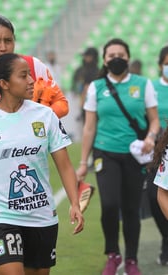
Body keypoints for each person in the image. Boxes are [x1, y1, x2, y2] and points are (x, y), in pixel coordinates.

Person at [0, 53, 84, 275]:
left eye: (30, 75)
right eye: (23, 76)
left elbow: (64, 164)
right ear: (4, 84)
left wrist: (74, 202)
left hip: (42, 218)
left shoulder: (45, 116)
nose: (31, 81)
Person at [76, 38, 160, 275]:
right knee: (110, 205)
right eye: (111, 55)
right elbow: (89, 127)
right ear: (104, 60)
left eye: (120, 54)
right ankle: (113, 254)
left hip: (135, 155)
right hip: (105, 153)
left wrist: (151, 137)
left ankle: (131, 260)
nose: (116, 58)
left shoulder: (143, 85)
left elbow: (153, 120)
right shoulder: (96, 87)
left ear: (128, 57)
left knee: (131, 209)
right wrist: (83, 162)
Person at [146, 45, 168, 266]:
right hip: (157, 151)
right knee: (155, 196)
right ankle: (166, 238)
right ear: (160, 65)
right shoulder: (150, 88)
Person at [71, 47, 100, 122]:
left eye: (87, 56)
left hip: (93, 106)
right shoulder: (79, 70)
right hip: (79, 104)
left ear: (93, 57)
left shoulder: (98, 72)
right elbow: (74, 86)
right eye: (85, 56)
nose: (85, 58)